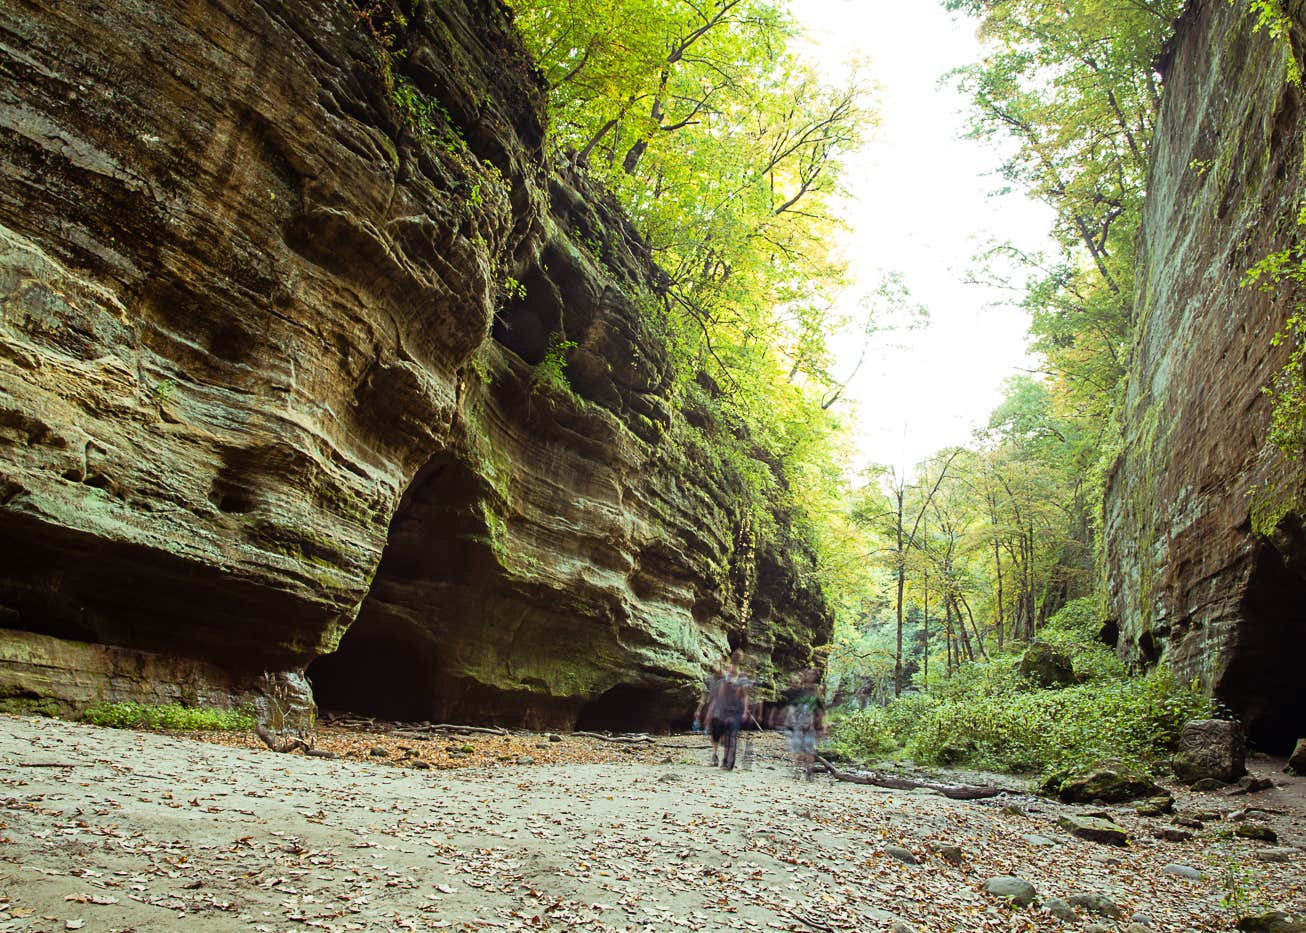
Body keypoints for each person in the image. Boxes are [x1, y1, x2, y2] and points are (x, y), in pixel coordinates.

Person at [709, 650, 751, 770]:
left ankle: (727, 760)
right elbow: (721, 691)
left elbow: (745, 695)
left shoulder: (741, 676)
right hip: (725, 709)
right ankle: (725, 759)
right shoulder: (727, 674)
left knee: (731, 734)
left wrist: (745, 711)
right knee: (726, 734)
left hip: (735, 709)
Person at [782, 668, 824, 780]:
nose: (808, 676)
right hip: (798, 723)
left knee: (808, 749)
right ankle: (798, 770)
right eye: (807, 674)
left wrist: (820, 725)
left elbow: (819, 710)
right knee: (798, 748)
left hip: (809, 725)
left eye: (811, 675)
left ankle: (807, 770)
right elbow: (792, 707)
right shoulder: (800, 692)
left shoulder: (816, 692)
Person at [694, 657, 727, 765]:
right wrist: (699, 710)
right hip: (713, 710)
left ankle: (724, 756)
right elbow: (704, 696)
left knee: (724, 733)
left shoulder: (727, 678)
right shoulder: (709, 679)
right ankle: (715, 755)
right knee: (714, 733)